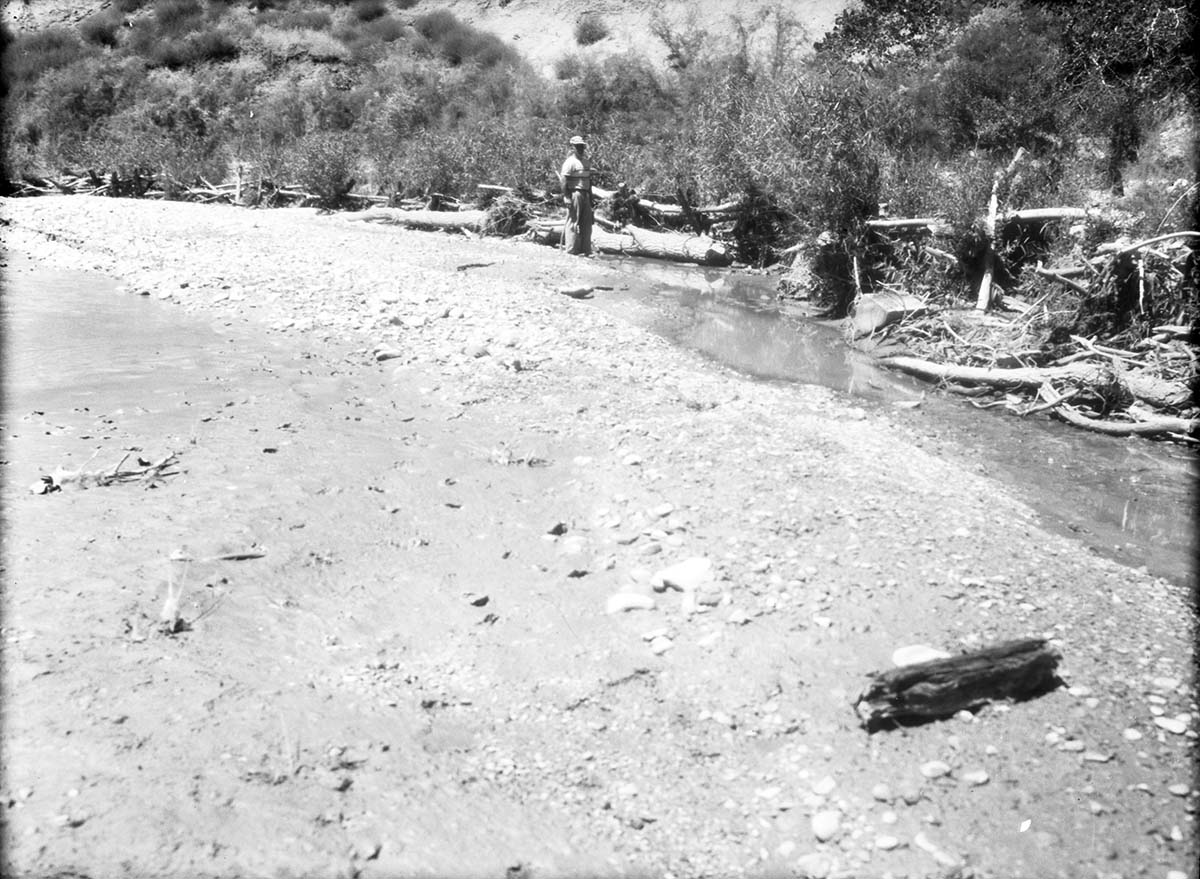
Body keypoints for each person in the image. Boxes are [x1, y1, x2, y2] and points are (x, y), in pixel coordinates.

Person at [558, 135, 593, 256]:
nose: (580, 149)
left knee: (587, 223)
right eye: (578, 146)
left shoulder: (586, 162)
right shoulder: (570, 162)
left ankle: (586, 250)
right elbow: (564, 180)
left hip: (585, 193)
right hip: (575, 193)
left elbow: (589, 180)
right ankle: (571, 250)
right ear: (573, 147)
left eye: (582, 146)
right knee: (573, 222)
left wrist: (590, 196)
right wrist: (567, 197)